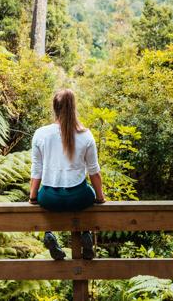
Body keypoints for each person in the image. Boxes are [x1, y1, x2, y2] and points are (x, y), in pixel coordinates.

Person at [29, 88, 106, 260]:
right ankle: (85, 234)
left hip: (50, 198)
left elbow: (37, 169)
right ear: (74, 108)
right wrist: (99, 197)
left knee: (46, 202)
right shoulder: (85, 135)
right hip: (78, 197)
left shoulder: (40, 134)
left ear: (54, 108)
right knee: (88, 196)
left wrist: (33, 197)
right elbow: (94, 172)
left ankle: (49, 233)